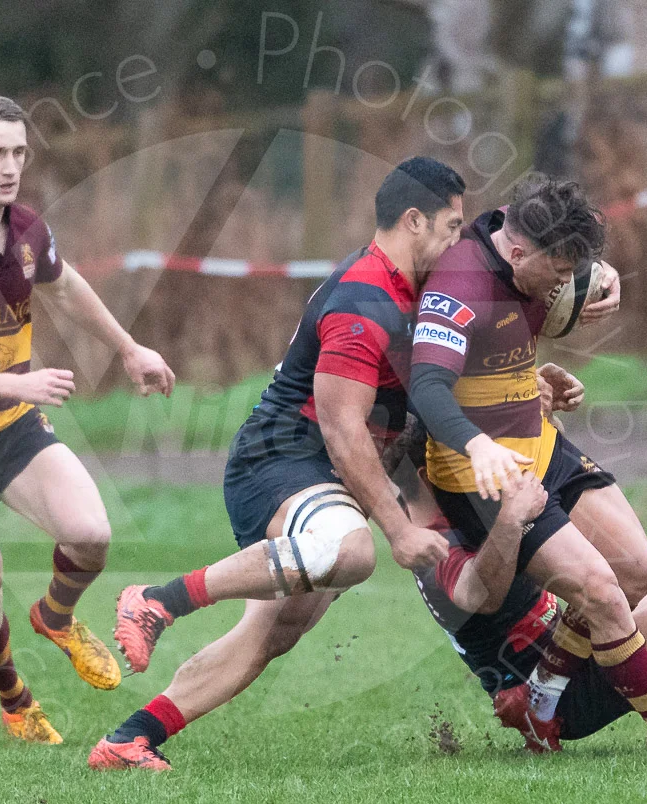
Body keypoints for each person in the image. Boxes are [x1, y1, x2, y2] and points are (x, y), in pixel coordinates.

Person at [87, 157, 468, 771]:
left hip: (319, 471)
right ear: (414, 221)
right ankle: (157, 600)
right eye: (451, 228)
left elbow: (505, 245)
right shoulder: (364, 299)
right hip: (282, 457)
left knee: (272, 633)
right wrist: (399, 529)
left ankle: (131, 738)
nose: (457, 243)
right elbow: (344, 431)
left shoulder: (414, 285)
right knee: (352, 552)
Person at [407, 173, 647, 756]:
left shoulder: (515, 236)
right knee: (605, 593)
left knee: (638, 570)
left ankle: (544, 697)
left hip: (541, 446)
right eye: (561, 275)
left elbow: (536, 226)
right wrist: (478, 446)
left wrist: (598, 273)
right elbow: (430, 387)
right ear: (519, 255)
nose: (567, 286)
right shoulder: (460, 284)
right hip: (492, 472)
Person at [0, 95, 175, 744]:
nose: (10, 167)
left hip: (10, 423)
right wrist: (12, 381)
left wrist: (130, 349)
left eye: (19, 152)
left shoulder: (26, 229)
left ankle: (56, 616)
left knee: (91, 533)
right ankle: (15, 699)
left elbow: (67, 287)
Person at [393, 414, 647, 755]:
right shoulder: (433, 545)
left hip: (569, 649)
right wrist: (510, 520)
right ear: (432, 475)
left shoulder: (443, 514)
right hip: (554, 697)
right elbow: (477, 594)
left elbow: (553, 508)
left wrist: (541, 418)